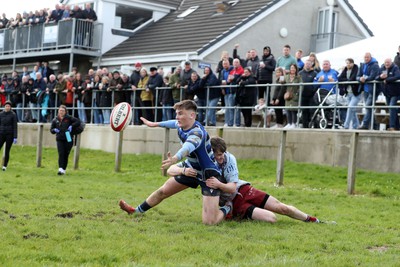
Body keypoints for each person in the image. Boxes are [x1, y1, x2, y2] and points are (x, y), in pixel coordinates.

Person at [119, 100, 230, 225]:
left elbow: (187, 147)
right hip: (191, 170)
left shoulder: (197, 133)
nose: (177, 117)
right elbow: (172, 123)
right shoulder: (181, 125)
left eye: (180, 114)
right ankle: (136, 211)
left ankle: (227, 207)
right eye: (176, 113)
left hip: (208, 175)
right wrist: (154, 124)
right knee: (163, 191)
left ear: (192, 115)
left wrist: (175, 158)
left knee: (210, 222)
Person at [209, 136, 320, 223]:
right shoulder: (206, 163)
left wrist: (218, 184)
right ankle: (230, 210)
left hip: (245, 190)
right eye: (217, 155)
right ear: (211, 153)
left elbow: (233, 188)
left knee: (282, 208)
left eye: (222, 154)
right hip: (234, 203)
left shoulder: (230, 158)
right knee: (271, 218)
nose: (221, 157)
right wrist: (190, 171)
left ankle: (312, 220)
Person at [50, 105, 80, 175]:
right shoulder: (55, 119)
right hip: (59, 137)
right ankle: (60, 168)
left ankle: (64, 169)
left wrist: (71, 126)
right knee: (61, 153)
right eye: (60, 111)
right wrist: (54, 130)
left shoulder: (69, 118)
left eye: (62, 111)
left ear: (65, 112)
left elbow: (77, 122)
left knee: (66, 154)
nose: (61, 112)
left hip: (68, 136)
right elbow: (51, 130)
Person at [357, 52, 380, 130]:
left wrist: (365, 78)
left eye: (367, 57)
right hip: (365, 89)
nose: (366, 59)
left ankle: (365, 124)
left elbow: (373, 76)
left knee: (368, 106)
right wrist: (360, 78)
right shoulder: (362, 65)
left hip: (373, 89)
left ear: (371, 57)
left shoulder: (375, 65)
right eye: (365, 57)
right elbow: (357, 76)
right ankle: (375, 125)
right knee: (369, 108)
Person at [377, 58, 400, 131]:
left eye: (388, 62)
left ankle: (392, 126)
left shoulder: (395, 68)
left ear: (391, 62)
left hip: (395, 92)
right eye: (385, 62)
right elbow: (376, 77)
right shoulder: (382, 68)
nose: (387, 64)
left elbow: (398, 76)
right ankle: (397, 127)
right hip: (386, 93)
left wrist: (387, 79)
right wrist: (380, 77)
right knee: (392, 109)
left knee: (391, 107)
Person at [338, 58, 360, 129]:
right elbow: (340, 78)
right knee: (352, 110)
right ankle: (356, 125)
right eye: (347, 63)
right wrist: (347, 80)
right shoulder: (345, 70)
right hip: (348, 93)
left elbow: (353, 78)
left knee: (350, 108)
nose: (348, 64)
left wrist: (347, 80)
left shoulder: (356, 69)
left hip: (356, 93)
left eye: (349, 63)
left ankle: (346, 125)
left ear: (352, 63)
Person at [299, 59, 317, 128]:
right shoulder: (300, 73)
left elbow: (317, 83)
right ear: (304, 64)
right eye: (306, 64)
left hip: (312, 95)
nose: (307, 65)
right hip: (303, 95)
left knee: (312, 111)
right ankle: (305, 126)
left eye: (309, 64)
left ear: (311, 65)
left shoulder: (314, 73)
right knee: (304, 111)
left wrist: (313, 91)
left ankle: (313, 125)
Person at [283, 64, 302, 128]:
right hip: (288, 95)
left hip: (294, 94)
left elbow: (302, 85)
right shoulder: (287, 76)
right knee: (288, 109)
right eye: (291, 68)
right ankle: (289, 123)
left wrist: (298, 92)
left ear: (296, 69)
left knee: (293, 110)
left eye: (294, 68)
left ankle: (294, 123)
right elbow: (280, 81)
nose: (292, 69)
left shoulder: (298, 77)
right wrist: (283, 75)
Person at [0, 101, 18, 171]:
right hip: (1, 133)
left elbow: (15, 126)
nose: (7, 107)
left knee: (7, 150)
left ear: (10, 107)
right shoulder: (1, 114)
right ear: (4, 107)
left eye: (8, 106)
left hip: (9, 134)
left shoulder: (13, 115)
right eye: (6, 106)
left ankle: (5, 165)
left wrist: (15, 136)